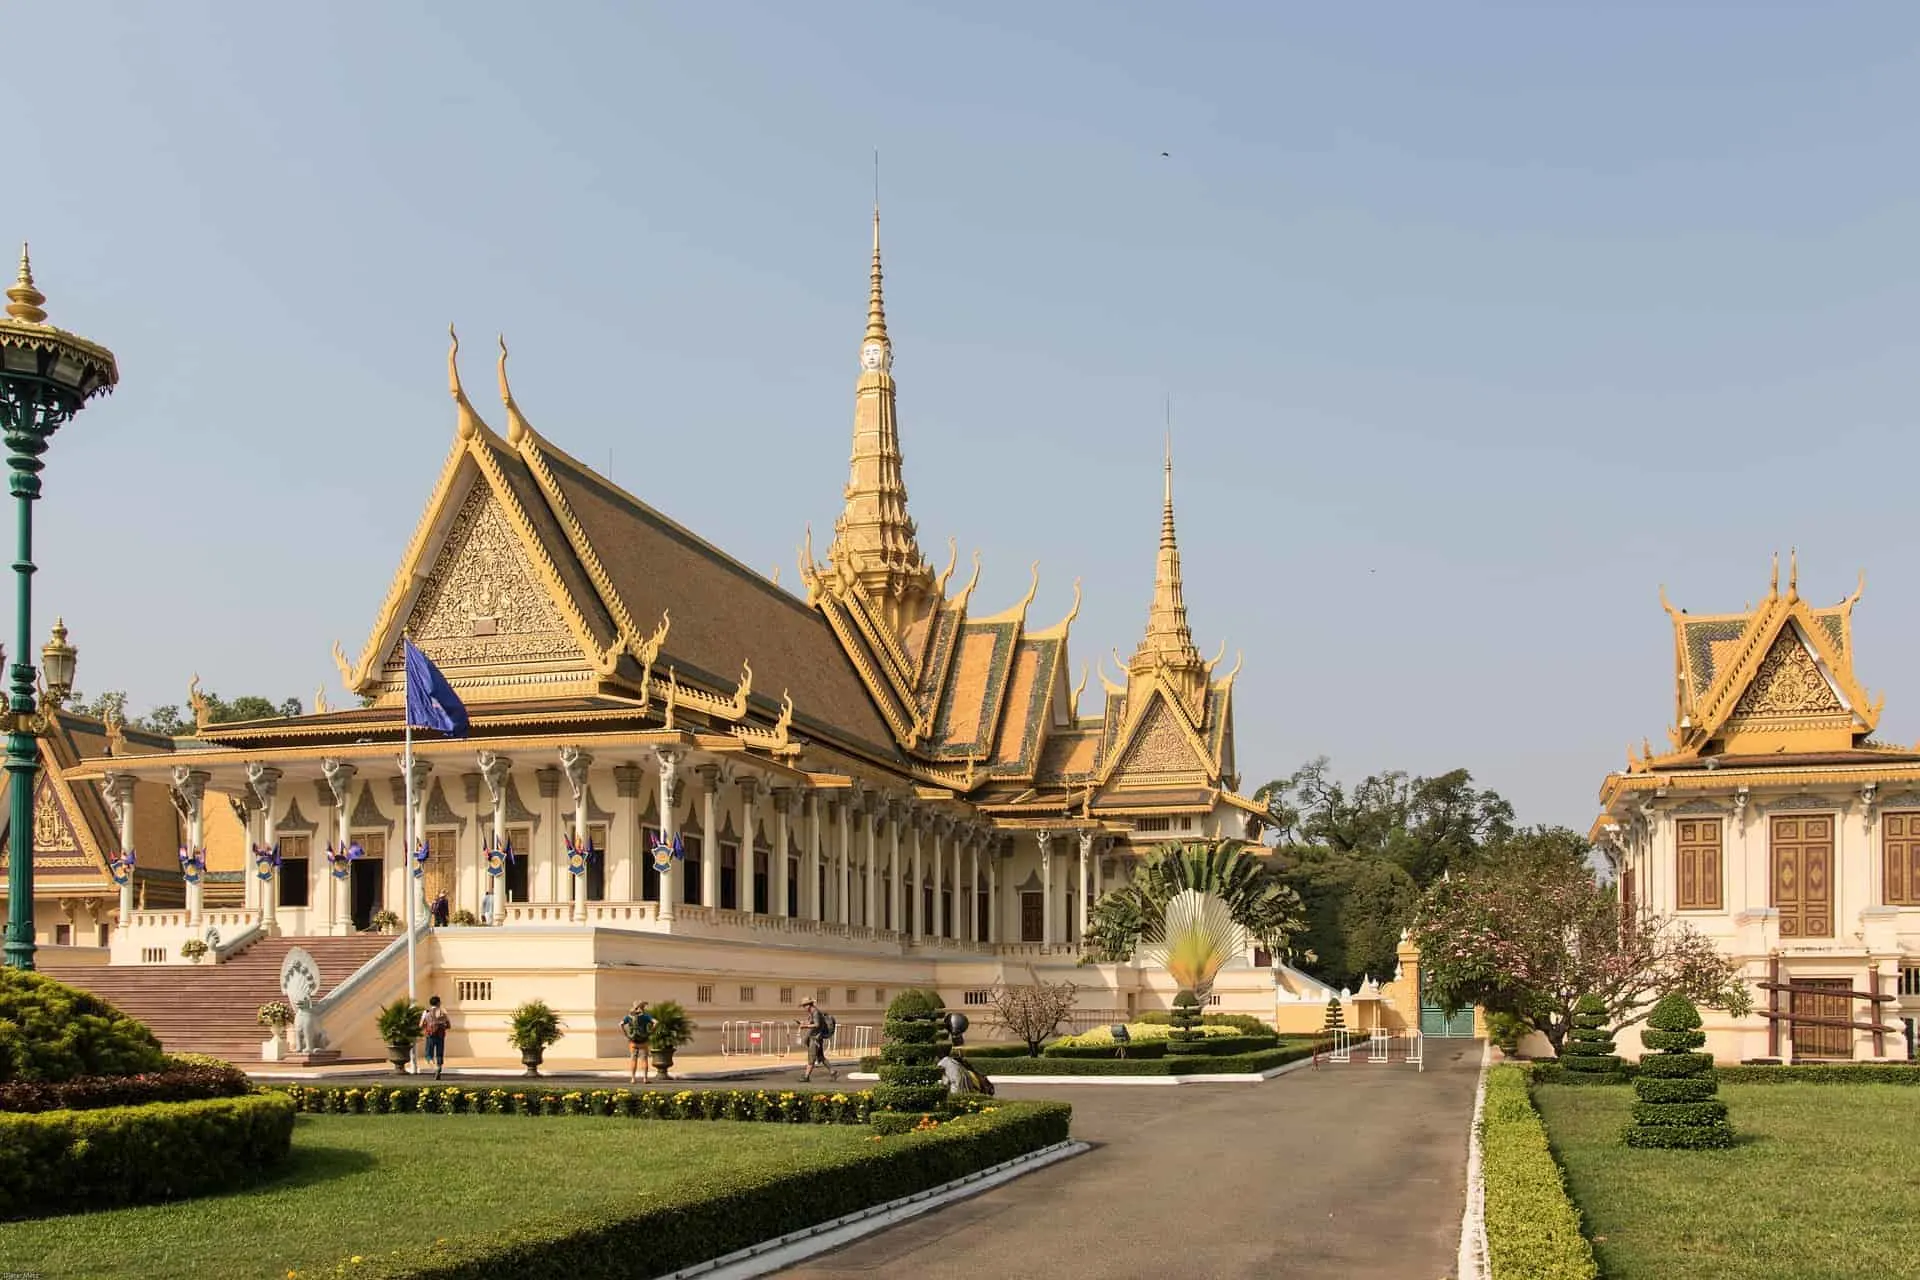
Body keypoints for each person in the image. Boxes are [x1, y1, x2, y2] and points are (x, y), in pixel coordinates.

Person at [800, 998, 836, 1082]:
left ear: (809, 1005)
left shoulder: (815, 1012)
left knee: (811, 1057)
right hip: (816, 1037)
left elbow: (817, 1024)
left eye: (804, 1006)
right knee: (821, 1056)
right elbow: (812, 1022)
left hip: (815, 1038)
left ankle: (806, 1076)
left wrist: (805, 1026)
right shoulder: (813, 1012)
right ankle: (832, 1071)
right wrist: (804, 1023)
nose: (804, 1008)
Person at [620, 1001, 656, 1085]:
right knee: (644, 1059)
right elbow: (655, 1022)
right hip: (643, 1040)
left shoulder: (628, 1017)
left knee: (633, 1059)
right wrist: (650, 1031)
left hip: (633, 1041)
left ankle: (633, 1078)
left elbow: (621, 1024)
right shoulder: (645, 1016)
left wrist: (626, 1033)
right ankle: (645, 1078)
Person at [420, 995, 452, 1079]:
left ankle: (435, 1068)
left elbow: (421, 1025)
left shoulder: (426, 1012)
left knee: (428, 1055)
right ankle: (439, 1067)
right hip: (440, 1035)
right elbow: (449, 1025)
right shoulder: (443, 1012)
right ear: (438, 1003)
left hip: (430, 1035)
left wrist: (426, 1027)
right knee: (439, 1054)